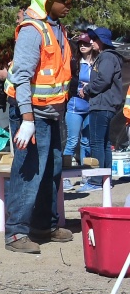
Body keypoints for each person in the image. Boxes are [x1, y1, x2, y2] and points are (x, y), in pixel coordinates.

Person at [3, 0, 78, 254]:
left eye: (71, 1)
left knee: (53, 170)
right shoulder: (32, 31)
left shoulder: (57, 28)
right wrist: (27, 119)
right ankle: (16, 234)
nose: (69, 5)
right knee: (29, 172)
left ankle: (44, 225)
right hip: (32, 114)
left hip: (52, 113)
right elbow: (22, 77)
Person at [81, 27, 124, 191]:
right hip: (106, 105)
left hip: (101, 105)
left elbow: (104, 80)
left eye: (94, 38)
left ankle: (97, 181)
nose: (91, 41)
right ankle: (106, 180)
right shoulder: (108, 57)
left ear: (102, 41)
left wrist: (87, 89)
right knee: (105, 143)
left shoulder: (106, 57)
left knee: (97, 142)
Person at [63, 32, 93, 186]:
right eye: (80, 43)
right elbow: (68, 81)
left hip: (91, 107)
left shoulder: (97, 62)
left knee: (87, 142)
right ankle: (65, 177)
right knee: (72, 141)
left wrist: (91, 87)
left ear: (92, 45)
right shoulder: (74, 62)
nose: (82, 46)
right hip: (75, 106)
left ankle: (86, 176)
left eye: (86, 43)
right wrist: (79, 87)